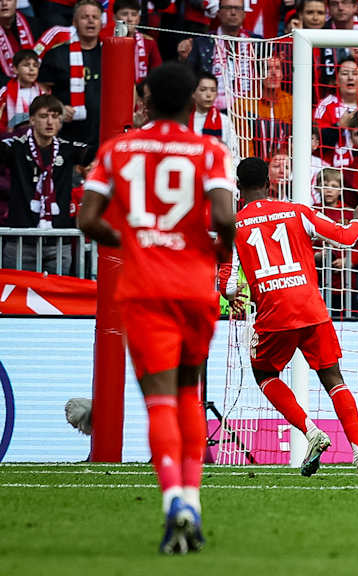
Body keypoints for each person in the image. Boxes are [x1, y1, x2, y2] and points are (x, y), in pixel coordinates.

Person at [77, 62, 237, 555]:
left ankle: (173, 499)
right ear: (192, 102)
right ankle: (194, 501)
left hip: (145, 288)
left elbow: (87, 219)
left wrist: (129, 238)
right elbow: (224, 215)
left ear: (144, 101)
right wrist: (219, 253)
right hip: (194, 289)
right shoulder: (209, 151)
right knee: (189, 391)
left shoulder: (117, 149)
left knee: (160, 401)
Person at [218, 157, 358, 479]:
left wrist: (235, 292)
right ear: (269, 184)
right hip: (311, 309)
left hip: (273, 313)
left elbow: (227, 286)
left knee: (265, 375)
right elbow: (345, 237)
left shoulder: (233, 226)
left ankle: (310, 431)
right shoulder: (298, 211)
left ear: (238, 188)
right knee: (333, 378)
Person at [0, 94, 91, 274]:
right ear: (32, 119)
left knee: (58, 292)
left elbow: (100, 151)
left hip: (58, 243)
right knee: (19, 292)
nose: (50, 122)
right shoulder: (16, 147)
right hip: (21, 242)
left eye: (55, 116)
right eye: (43, 116)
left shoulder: (68, 148)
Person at [38, 0, 102, 148]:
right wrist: (57, 107)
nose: (90, 21)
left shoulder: (111, 53)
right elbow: (40, 88)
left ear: (101, 23)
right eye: (85, 17)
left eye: (95, 17)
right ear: (74, 22)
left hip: (102, 134)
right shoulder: (56, 54)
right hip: (66, 135)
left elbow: (128, 87)